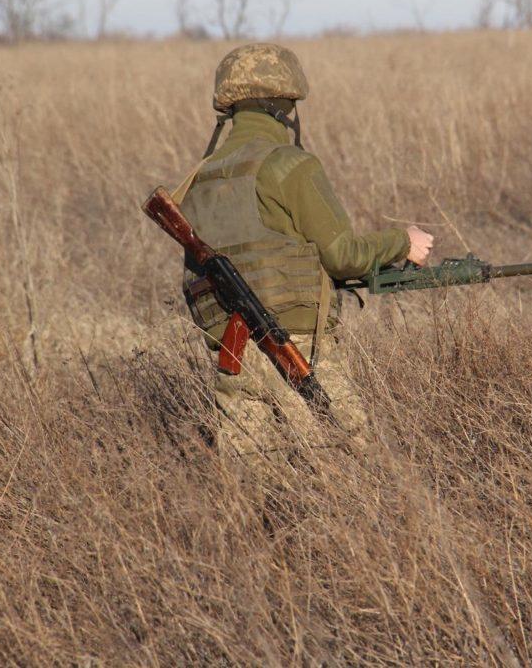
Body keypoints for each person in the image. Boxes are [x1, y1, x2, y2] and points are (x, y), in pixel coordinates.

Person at [173, 43, 433, 461]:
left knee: (251, 493)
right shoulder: (289, 164)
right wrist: (402, 242)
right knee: (349, 470)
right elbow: (342, 255)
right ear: (282, 106)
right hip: (296, 350)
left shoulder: (196, 180)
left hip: (230, 356)